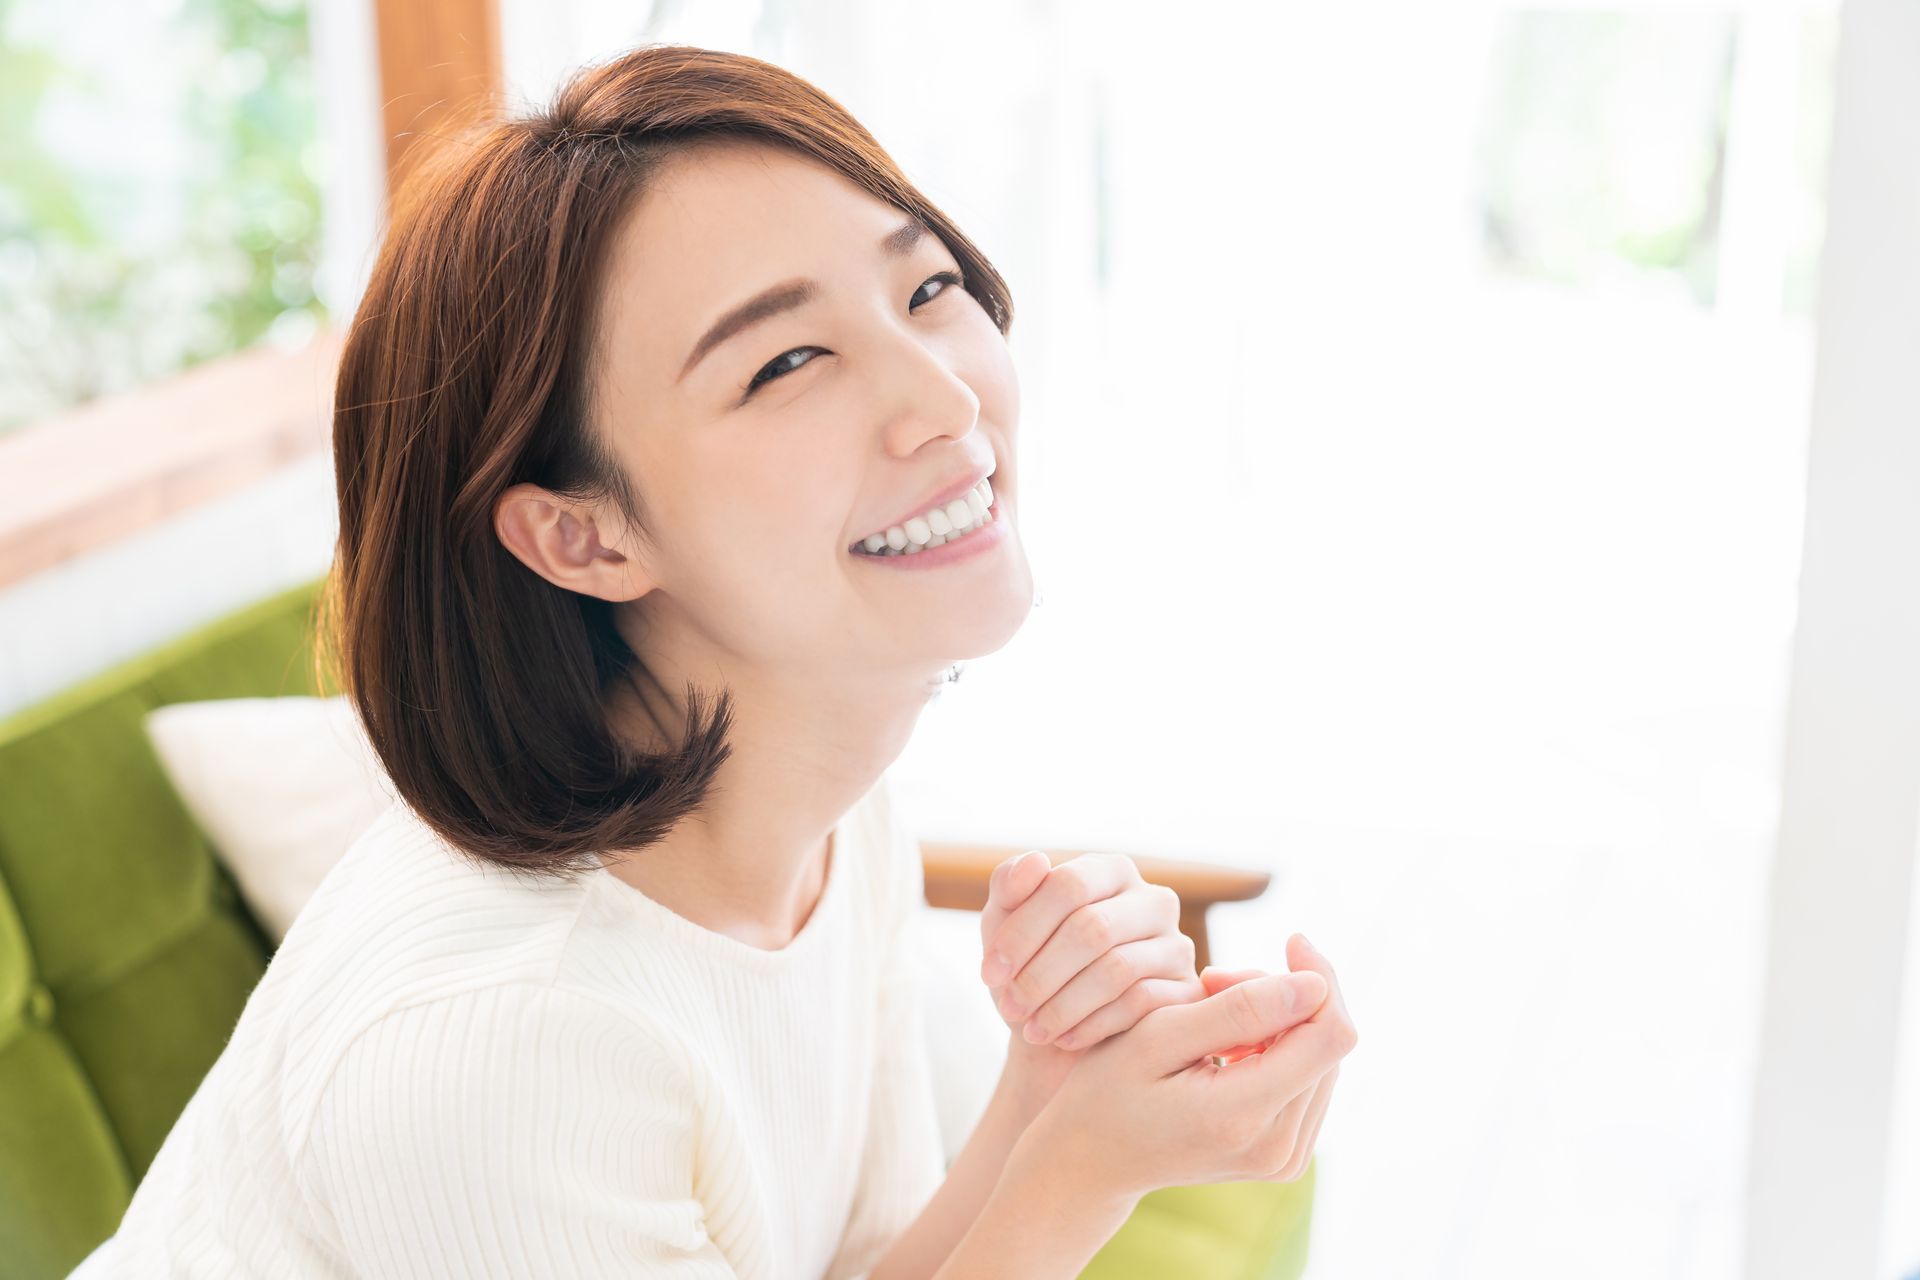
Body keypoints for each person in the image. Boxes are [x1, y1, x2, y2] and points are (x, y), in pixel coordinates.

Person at [69, 43, 1356, 1279]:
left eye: (924, 290)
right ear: (583, 532)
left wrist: (1050, 1082)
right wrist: (1084, 1171)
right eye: (788, 361)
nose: (948, 401)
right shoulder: (507, 1039)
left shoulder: (818, 819)